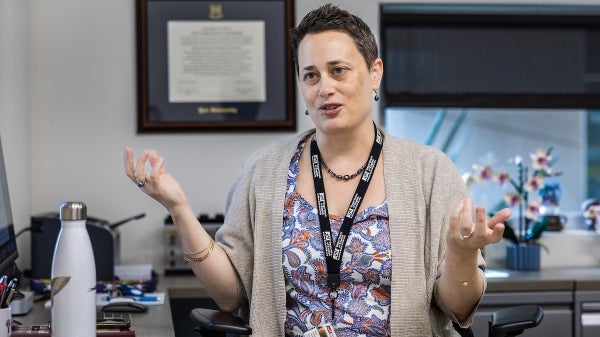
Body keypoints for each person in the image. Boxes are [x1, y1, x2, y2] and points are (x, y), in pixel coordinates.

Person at [123, 3, 510, 336]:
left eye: (339, 70)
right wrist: (179, 209)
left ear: (374, 73)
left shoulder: (429, 171)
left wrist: (460, 253)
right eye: (311, 75)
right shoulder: (264, 169)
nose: (324, 87)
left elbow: (459, 309)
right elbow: (230, 295)